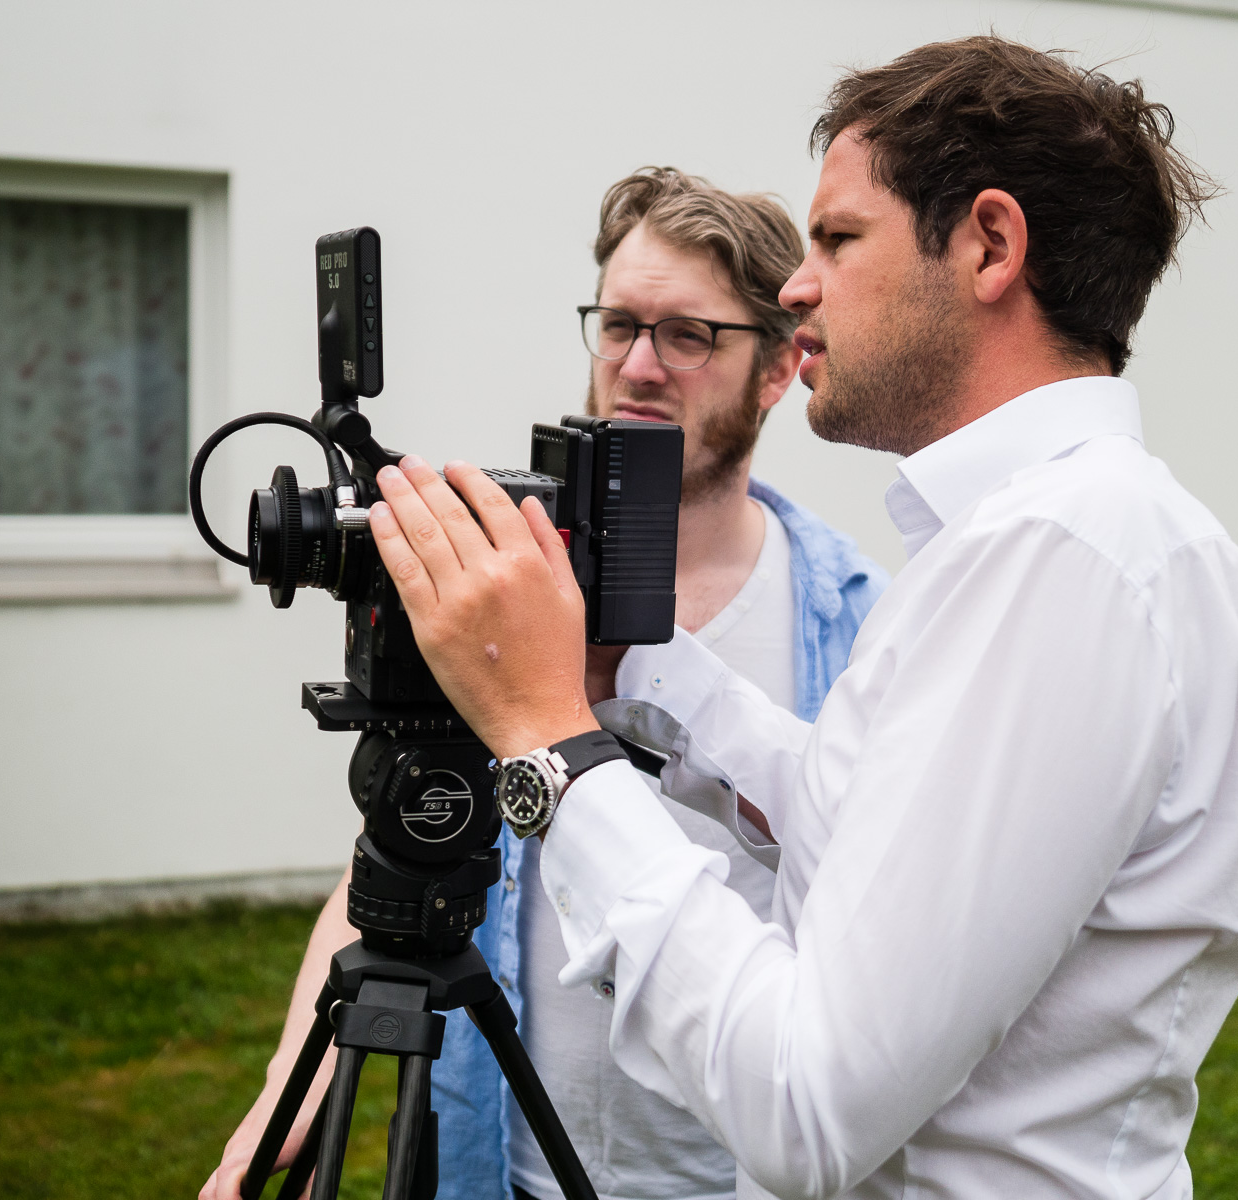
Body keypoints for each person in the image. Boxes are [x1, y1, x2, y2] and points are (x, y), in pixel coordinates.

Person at [355, 35, 1238, 1200]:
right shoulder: (1044, 539)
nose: (797, 288)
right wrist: (626, 670)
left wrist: (551, 738)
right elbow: (872, 841)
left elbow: (805, 1105)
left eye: (839, 239)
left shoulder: (1065, 557)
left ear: (991, 245)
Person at [200, 167, 887, 1200]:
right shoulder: (508, 590)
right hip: (509, 1166)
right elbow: (401, 844)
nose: (639, 366)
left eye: (688, 335)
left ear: (781, 366)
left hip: (750, 1176)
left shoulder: (863, 624)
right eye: (617, 324)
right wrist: (281, 1103)